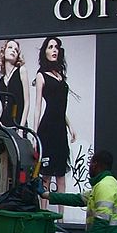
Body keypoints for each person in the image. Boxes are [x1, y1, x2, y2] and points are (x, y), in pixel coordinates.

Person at [34, 36, 76, 207]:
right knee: (46, 175)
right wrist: (34, 135)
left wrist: (70, 125)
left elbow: (61, 108)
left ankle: (61, 218)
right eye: (50, 47)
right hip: (47, 129)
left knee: (61, 175)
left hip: (60, 129)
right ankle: (44, 215)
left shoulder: (61, 77)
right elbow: (38, 107)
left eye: (56, 47)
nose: (54, 50)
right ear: (45, 51)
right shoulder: (41, 75)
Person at [0, 39, 29, 128]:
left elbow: (26, 103)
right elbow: (4, 106)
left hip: (17, 125)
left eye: (16, 50)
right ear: (4, 51)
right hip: (4, 127)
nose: (13, 50)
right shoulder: (1, 82)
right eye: (10, 47)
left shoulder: (21, 71)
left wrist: (21, 128)